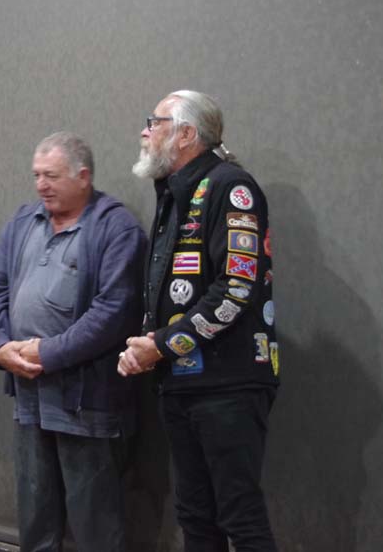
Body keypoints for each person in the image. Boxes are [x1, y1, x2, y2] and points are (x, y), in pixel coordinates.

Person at [119, 90, 280, 552]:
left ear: (186, 134)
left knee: (239, 515)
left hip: (228, 386)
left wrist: (162, 345)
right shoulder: (173, 192)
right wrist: (150, 346)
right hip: (181, 384)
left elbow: (236, 289)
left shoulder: (232, 187)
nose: (145, 132)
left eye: (155, 122)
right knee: (195, 516)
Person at [0, 132, 146, 552]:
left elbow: (114, 312)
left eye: (51, 176)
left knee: (94, 517)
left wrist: (47, 353)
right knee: (35, 513)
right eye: (37, 175)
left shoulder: (115, 227)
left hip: (86, 399)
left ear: (83, 176)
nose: (41, 185)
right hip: (29, 392)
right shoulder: (23, 222)